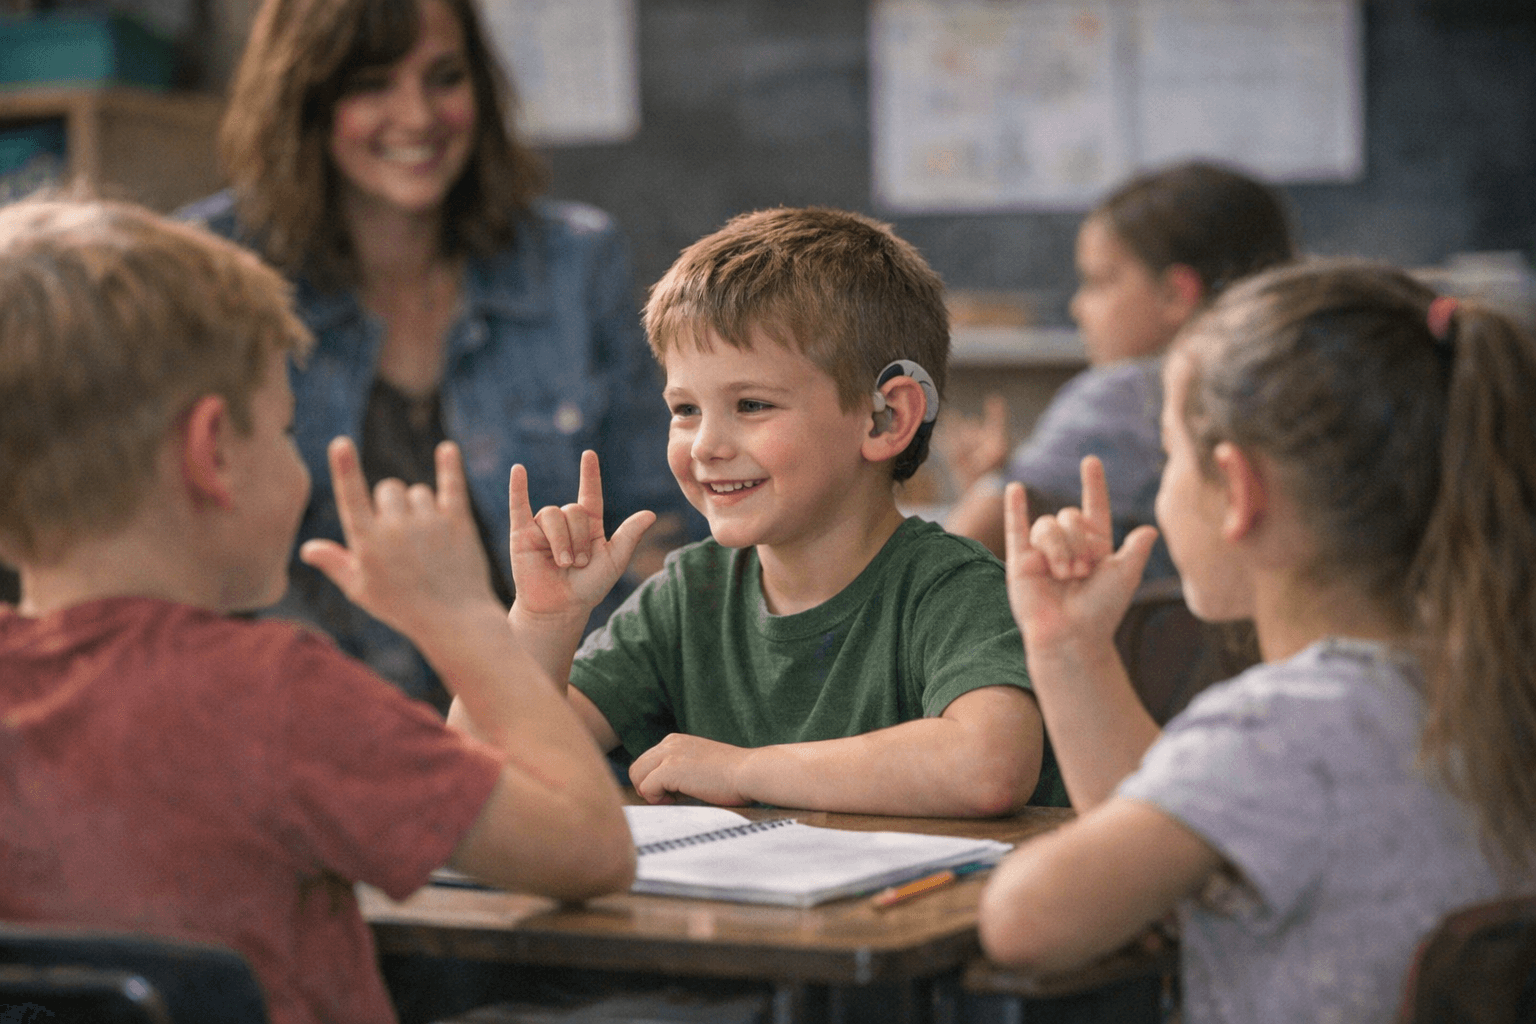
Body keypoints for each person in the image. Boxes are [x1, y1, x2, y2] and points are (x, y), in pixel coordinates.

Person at [0, 196, 635, 1024]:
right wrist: (465, 617)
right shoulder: (273, 696)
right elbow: (590, 847)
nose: (298, 467)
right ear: (213, 453)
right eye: (286, 431)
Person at [978, 259, 1536, 1023]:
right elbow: (1173, 844)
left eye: (1171, 457)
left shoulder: (1284, 728)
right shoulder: (1481, 680)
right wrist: (1071, 649)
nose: (1166, 484)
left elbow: (1025, 922)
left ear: (1239, 492)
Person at [180, 0, 691, 711]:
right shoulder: (212, 270)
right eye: (371, 84)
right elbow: (192, 566)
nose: (417, 116)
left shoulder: (574, 261)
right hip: (321, 731)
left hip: (561, 718)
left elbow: (662, 533)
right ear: (303, 95)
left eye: (445, 77)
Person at [478, 206, 1063, 816]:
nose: (706, 445)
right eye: (685, 409)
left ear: (887, 418)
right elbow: (483, 767)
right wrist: (542, 623)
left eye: (752, 404)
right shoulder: (688, 595)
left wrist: (745, 769)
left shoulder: (952, 589)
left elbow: (988, 766)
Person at [941, 161, 1294, 576]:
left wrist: (991, 490)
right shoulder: (1295, 383)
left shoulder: (1126, 394)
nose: (1078, 306)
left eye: (1100, 280)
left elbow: (952, 562)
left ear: (1175, 293)